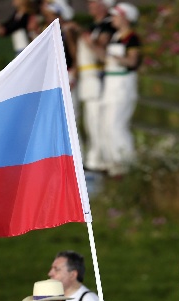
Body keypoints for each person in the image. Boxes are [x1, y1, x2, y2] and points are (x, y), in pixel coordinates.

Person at [93, 2, 142, 176]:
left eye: (115, 16)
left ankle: (126, 164)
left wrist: (116, 58)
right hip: (110, 85)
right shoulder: (115, 37)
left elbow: (132, 61)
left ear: (125, 18)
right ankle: (113, 164)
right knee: (106, 125)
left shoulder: (131, 38)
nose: (112, 19)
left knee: (116, 125)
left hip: (123, 85)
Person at [72, 0, 115, 172]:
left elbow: (100, 48)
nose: (90, 5)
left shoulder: (108, 25)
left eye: (94, 3)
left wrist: (85, 38)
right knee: (90, 121)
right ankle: (94, 157)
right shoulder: (93, 26)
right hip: (87, 77)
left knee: (97, 119)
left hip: (97, 76)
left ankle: (100, 159)